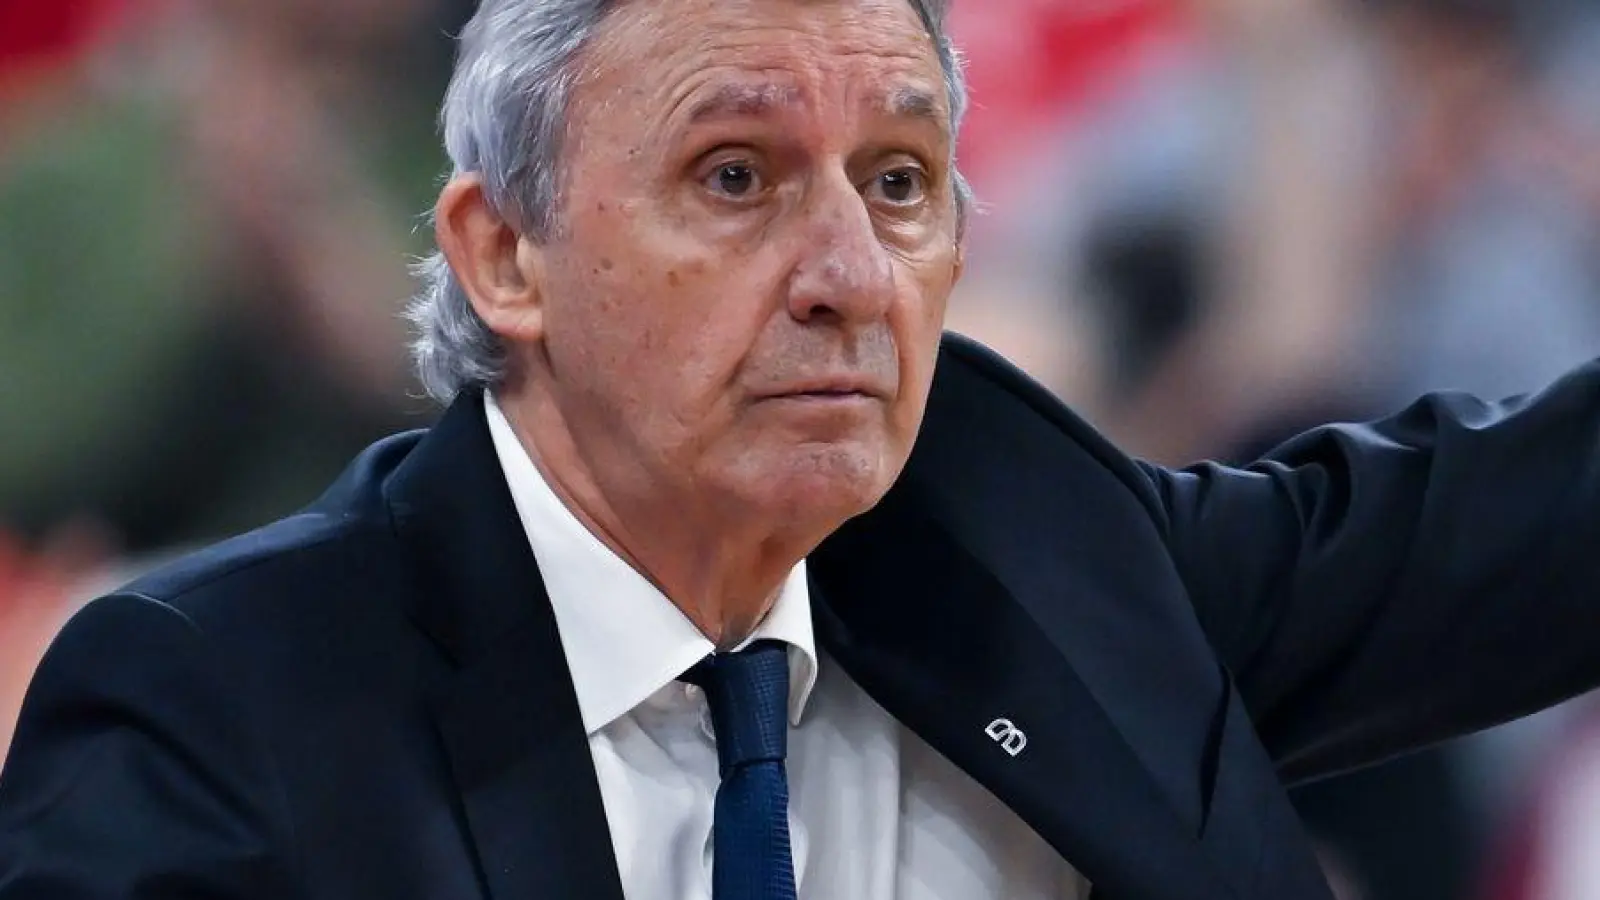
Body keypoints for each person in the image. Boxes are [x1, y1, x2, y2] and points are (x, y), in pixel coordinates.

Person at [5, 0, 1600, 898]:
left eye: (901, 182)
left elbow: (1525, 529)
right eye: (735, 177)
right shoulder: (217, 698)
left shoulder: (1018, 535)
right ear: (508, 255)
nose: (848, 274)